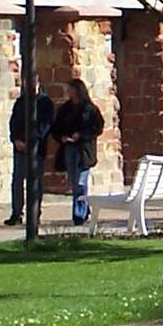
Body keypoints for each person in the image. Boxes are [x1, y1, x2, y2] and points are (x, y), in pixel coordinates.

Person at [48, 78, 105, 228]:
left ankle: (78, 215)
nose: (69, 92)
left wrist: (82, 135)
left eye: (71, 89)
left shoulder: (89, 109)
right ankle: (84, 209)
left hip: (83, 150)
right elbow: (56, 128)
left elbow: (97, 127)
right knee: (74, 181)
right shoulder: (65, 109)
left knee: (80, 182)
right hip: (69, 149)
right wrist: (62, 137)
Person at [5, 78, 54, 227]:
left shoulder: (45, 103)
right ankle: (16, 213)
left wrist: (33, 141)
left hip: (36, 149)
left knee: (35, 182)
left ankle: (34, 213)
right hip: (20, 147)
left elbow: (45, 125)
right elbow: (13, 123)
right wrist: (15, 140)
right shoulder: (21, 102)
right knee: (17, 180)